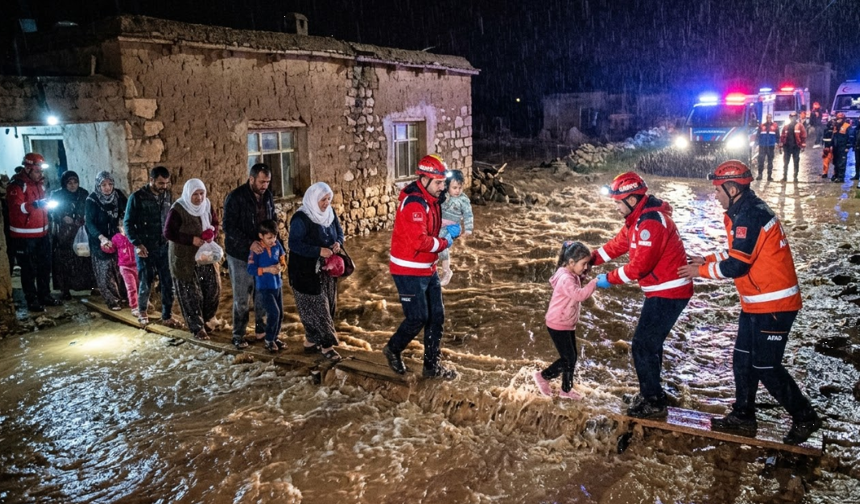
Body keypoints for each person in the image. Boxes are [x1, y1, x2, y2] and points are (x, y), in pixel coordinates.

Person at [678, 160, 822, 445]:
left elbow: (737, 267)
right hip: (756, 302)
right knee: (742, 358)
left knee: (766, 366)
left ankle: (805, 417)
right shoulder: (742, 211)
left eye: (718, 190)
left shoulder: (749, 216)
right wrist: (706, 259)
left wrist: (700, 271)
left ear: (732, 188)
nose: (715, 195)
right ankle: (743, 416)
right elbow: (738, 252)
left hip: (774, 307)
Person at [591, 171, 693, 418]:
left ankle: (654, 403)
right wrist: (589, 259)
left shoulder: (650, 223)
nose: (616, 207)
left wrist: (605, 280)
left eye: (618, 202)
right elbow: (617, 245)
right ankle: (652, 393)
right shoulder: (638, 220)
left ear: (633, 200)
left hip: (669, 292)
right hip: (664, 290)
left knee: (642, 346)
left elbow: (639, 267)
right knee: (651, 344)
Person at [382, 154, 462, 380]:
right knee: (417, 317)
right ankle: (393, 349)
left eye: (443, 183)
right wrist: (445, 242)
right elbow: (419, 241)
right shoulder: (415, 203)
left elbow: (429, 226)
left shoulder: (431, 199)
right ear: (424, 180)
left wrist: (445, 225)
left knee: (436, 316)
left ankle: (431, 366)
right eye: (438, 183)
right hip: (407, 269)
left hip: (427, 267)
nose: (442, 187)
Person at [288, 182, 345, 362]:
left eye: (329, 199)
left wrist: (338, 243)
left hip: (326, 269)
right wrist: (318, 251)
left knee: (329, 304)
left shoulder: (330, 213)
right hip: (305, 271)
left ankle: (311, 341)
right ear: (313, 199)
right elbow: (294, 244)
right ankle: (327, 346)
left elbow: (339, 233)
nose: (326, 203)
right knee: (317, 307)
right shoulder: (301, 219)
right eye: (323, 200)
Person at [533, 241, 598, 400]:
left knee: (572, 357)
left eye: (587, 264)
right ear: (571, 262)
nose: (585, 267)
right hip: (558, 324)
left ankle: (566, 390)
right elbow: (580, 295)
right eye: (583, 264)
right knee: (568, 358)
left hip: (566, 322)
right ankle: (543, 376)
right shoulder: (566, 279)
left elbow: (578, 277)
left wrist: (585, 270)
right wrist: (594, 283)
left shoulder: (570, 273)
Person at [223, 163, 275, 348]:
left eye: (267, 182)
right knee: (242, 297)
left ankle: (261, 331)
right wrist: (249, 243)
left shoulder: (267, 196)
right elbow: (228, 227)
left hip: (263, 253)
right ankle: (238, 335)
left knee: (262, 294)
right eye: (261, 182)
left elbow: (272, 221)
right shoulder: (235, 198)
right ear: (251, 179)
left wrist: (276, 245)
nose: (265, 186)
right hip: (240, 255)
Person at [164, 178, 222, 342]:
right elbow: (168, 233)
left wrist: (212, 233)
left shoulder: (207, 205)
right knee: (190, 294)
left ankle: (207, 318)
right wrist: (191, 240)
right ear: (188, 194)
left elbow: (215, 223)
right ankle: (197, 327)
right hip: (185, 259)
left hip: (206, 256)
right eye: (195, 194)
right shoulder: (178, 209)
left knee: (213, 289)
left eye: (201, 193)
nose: (199, 198)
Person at [6, 153, 62, 312]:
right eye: (38, 171)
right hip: (24, 235)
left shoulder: (40, 183)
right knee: (29, 269)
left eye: (41, 172)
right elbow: (17, 208)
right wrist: (36, 204)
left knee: (44, 267)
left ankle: (45, 295)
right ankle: (31, 299)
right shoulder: (16, 185)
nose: (40, 174)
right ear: (28, 169)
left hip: (42, 233)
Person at [124, 166, 179, 327]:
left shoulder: (167, 195)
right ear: (151, 180)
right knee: (146, 281)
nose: (164, 186)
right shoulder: (137, 198)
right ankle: (142, 311)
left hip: (164, 246)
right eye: (161, 183)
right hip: (145, 248)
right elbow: (128, 223)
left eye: (166, 183)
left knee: (167, 281)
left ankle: (167, 315)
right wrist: (137, 244)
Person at [49, 170, 96, 300]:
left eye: (75, 182)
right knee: (64, 261)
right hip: (64, 234)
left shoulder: (83, 193)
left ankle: (88, 285)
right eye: (69, 182)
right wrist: (62, 217)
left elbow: (88, 208)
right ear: (65, 183)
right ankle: (65, 289)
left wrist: (83, 218)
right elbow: (52, 210)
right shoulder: (57, 195)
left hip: (80, 231)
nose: (73, 185)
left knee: (83, 257)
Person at [85, 171, 128, 311]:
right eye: (103, 185)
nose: (107, 188)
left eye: (110, 184)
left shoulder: (118, 196)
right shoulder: (92, 200)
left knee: (119, 268)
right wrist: (101, 238)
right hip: (99, 240)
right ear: (98, 185)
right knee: (105, 271)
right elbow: (90, 223)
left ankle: (124, 296)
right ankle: (112, 300)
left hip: (117, 238)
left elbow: (126, 212)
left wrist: (123, 227)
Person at [248, 219, 287, 353]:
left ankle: (275, 337)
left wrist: (281, 267)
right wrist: (266, 270)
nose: (273, 240)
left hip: (277, 285)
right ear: (261, 236)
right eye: (269, 237)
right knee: (273, 313)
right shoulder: (256, 251)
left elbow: (283, 261)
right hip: (264, 287)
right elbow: (251, 269)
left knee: (280, 313)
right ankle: (269, 339)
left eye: (274, 237)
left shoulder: (277, 246)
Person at [438, 169, 474, 286]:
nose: (457, 191)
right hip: (441, 226)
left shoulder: (463, 200)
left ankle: (446, 271)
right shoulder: (443, 195)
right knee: (434, 242)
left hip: (452, 228)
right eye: (454, 188)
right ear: (447, 186)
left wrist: (468, 229)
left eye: (460, 187)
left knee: (442, 243)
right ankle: (432, 265)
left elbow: (468, 214)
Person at [112, 225, 140, 317]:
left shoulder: (134, 235)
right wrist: (104, 246)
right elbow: (111, 249)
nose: (126, 228)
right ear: (120, 227)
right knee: (131, 288)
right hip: (125, 267)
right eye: (123, 226)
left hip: (137, 265)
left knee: (141, 286)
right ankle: (134, 307)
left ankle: (143, 304)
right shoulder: (116, 237)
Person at [778, 111, 806, 183]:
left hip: (796, 147)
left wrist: (803, 146)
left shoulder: (800, 126)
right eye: (792, 117)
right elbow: (782, 136)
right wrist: (781, 145)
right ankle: (785, 177)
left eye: (794, 117)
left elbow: (803, 136)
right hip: (787, 147)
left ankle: (795, 177)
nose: (793, 118)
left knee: (796, 162)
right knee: (786, 163)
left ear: (796, 117)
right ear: (790, 118)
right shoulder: (786, 126)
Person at [755, 114, 778, 181]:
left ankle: (769, 176)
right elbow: (758, 136)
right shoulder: (762, 126)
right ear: (766, 118)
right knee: (761, 161)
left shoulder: (775, 126)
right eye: (768, 117)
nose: (769, 119)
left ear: (771, 118)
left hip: (771, 146)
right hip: (762, 146)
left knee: (770, 162)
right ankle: (760, 175)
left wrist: (777, 143)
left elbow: (777, 136)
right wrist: (757, 144)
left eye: (770, 117)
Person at [830, 112, 851, 183]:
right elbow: (833, 136)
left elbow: (850, 137)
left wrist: (847, 147)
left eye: (841, 118)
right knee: (835, 162)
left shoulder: (847, 126)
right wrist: (831, 145)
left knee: (841, 162)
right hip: (836, 147)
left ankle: (841, 177)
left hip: (843, 147)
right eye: (838, 118)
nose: (839, 120)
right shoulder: (835, 126)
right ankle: (836, 175)